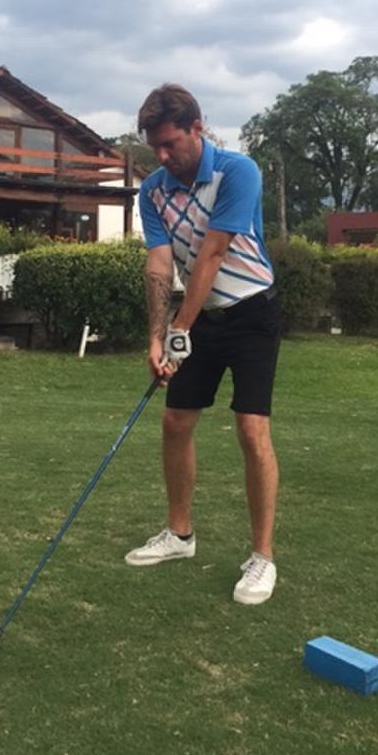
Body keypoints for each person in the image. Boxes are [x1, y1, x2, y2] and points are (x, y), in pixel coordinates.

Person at [125, 84, 282, 605]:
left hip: (253, 312)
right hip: (199, 321)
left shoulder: (239, 172)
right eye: (155, 147)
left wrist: (178, 331)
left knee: (251, 429)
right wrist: (156, 337)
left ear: (198, 128)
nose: (162, 156)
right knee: (175, 421)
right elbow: (159, 263)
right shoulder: (153, 191)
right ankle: (180, 534)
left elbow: (213, 255)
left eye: (170, 144)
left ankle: (262, 558)